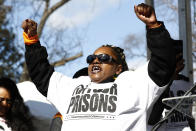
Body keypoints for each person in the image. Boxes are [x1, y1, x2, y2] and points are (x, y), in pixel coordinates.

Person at [22, 3, 176, 131]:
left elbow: (163, 63)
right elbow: (42, 74)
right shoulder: (74, 86)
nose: (95, 61)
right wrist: (32, 42)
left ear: (118, 68)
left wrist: (154, 27)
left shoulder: (133, 84)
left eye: (104, 58)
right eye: (91, 58)